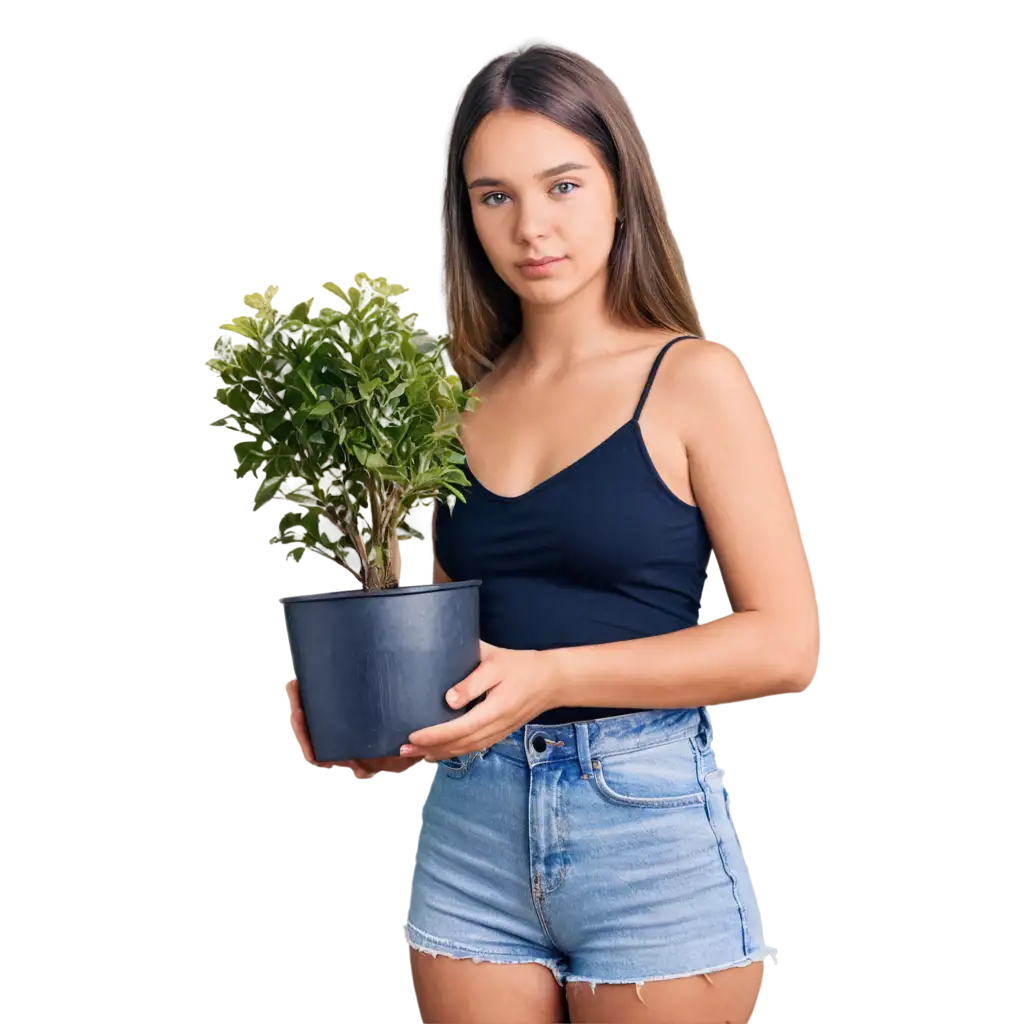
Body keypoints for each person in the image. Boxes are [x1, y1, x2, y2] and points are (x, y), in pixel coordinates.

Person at [283, 39, 818, 1024]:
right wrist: (371, 731)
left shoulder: (693, 382)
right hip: (471, 837)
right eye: (494, 196)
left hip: (645, 830)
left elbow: (783, 642)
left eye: (561, 184)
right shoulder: (453, 408)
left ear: (620, 188)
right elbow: (466, 674)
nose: (532, 226)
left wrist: (554, 676)